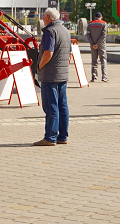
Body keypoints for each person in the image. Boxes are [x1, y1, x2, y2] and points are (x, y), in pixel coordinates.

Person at [33, 8, 71, 146]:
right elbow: (69, 54)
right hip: (62, 75)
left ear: (49, 17)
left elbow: (48, 52)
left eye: (44, 17)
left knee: (51, 107)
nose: (43, 20)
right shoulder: (66, 31)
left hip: (50, 75)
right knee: (63, 106)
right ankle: (63, 136)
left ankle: (50, 137)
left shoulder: (50, 31)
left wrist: (40, 66)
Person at [86, 12, 108, 82]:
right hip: (101, 45)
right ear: (101, 17)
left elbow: (88, 35)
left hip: (93, 46)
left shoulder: (90, 24)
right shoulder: (104, 23)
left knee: (94, 61)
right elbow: (103, 35)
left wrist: (93, 44)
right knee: (103, 60)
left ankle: (94, 76)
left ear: (94, 17)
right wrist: (98, 44)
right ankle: (104, 77)